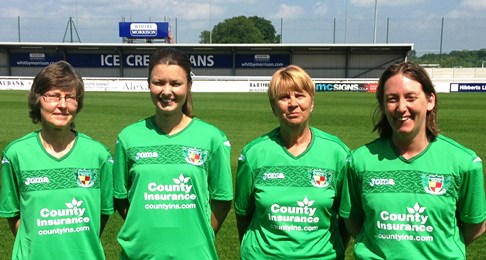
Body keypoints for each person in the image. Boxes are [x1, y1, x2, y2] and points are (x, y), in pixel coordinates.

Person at [340, 61, 486, 259]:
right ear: (383, 105)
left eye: (410, 97)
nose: (401, 107)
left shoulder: (464, 162)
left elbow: (475, 225)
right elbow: (352, 220)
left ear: (430, 100)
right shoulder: (359, 161)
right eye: (392, 99)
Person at [113, 47, 233, 259]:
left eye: (175, 83)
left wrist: (200, 233)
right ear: (148, 84)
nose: (166, 91)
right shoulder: (128, 137)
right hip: (141, 254)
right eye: (158, 82)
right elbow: (121, 198)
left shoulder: (212, 137)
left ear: (189, 86)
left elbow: (222, 200)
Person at [0, 61, 114, 259]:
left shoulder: (98, 155)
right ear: (38, 100)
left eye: (70, 97)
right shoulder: (16, 154)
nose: (62, 105)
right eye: (53, 96)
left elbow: (101, 215)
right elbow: (14, 216)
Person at [235, 65, 350, 259]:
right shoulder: (253, 154)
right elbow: (243, 213)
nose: (293, 103)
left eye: (300, 95)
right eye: (284, 97)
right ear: (273, 107)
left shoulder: (337, 153)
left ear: (312, 102)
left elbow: (346, 217)